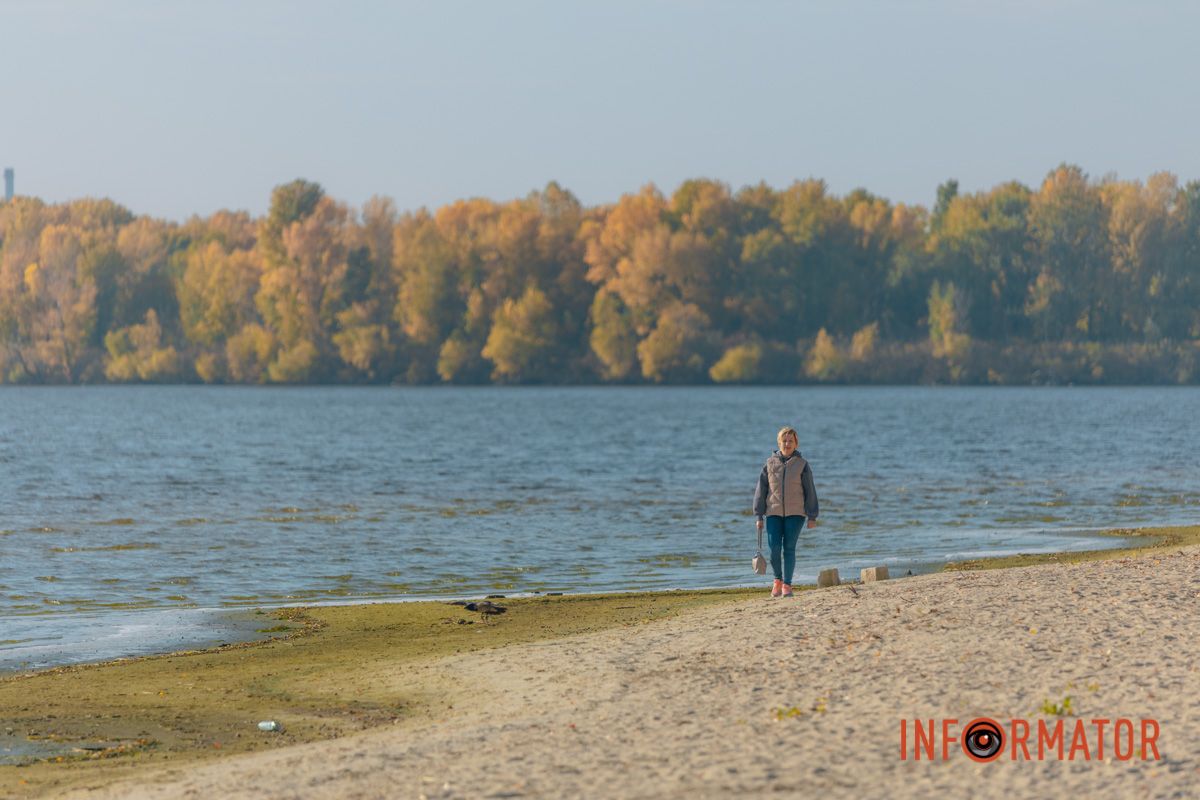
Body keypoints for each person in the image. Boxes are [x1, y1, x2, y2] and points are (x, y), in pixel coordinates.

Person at [753, 426, 819, 598]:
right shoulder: (769, 463)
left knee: (789, 548)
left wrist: (812, 515)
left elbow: (810, 490)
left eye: (791, 441)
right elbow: (761, 491)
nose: (787, 443)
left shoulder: (802, 465)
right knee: (774, 548)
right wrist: (759, 515)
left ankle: (787, 585)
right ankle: (777, 580)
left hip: (796, 514)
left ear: (796, 444)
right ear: (779, 443)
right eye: (784, 440)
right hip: (773, 512)